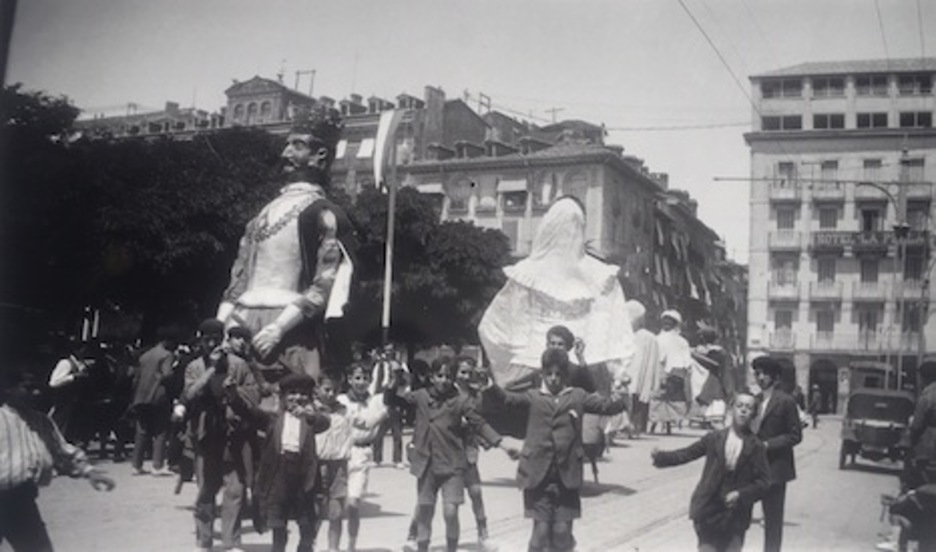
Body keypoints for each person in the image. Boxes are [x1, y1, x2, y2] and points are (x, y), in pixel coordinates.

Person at [216, 104, 358, 382]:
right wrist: (221, 325)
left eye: (297, 146)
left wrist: (279, 328)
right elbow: (239, 276)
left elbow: (324, 284)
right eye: (287, 145)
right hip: (240, 326)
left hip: (293, 330)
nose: (286, 154)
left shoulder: (325, 213)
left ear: (320, 155)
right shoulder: (261, 215)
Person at [478, 195, 635, 401]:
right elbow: (617, 332)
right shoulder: (601, 276)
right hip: (584, 372)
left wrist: (509, 360)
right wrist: (617, 373)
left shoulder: (525, 274)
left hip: (532, 371)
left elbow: (492, 327)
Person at [482, 348, 627, 552]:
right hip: (537, 476)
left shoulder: (577, 396)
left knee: (561, 533)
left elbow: (606, 407)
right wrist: (490, 386)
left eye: (559, 374)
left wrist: (621, 393)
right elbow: (507, 399)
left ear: (566, 375)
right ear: (542, 374)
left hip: (566, 476)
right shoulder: (533, 397)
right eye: (549, 374)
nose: (553, 379)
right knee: (540, 533)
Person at [387, 357, 515, 552]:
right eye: (439, 376)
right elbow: (393, 399)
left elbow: (479, 424)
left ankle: (452, 548)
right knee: (425, 511)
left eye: (448, 376)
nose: (443, 380)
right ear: (431, 377)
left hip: (453, 465)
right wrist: (394, 378)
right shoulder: (421, 396)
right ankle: (421, 546)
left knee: (450, 511)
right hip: (426, 466)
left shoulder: (460, 401)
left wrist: (502, 443)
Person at [0, 368, 116, 551]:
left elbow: (62, 452)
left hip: (22, 500)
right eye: (28, 388)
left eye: (37, 388)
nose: (36, 393)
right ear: (8, 389)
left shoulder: (41, 422)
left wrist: (89, 472)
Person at [652, 392, 770, 552]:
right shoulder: (715, 438)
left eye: (748, 408)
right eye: (739, 406)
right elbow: (687, 453)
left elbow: (763, 483)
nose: (743, 410)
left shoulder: (757, 446)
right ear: (730, 410)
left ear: (754, 414)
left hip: (736, 516)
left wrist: (741, 494)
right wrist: (661, 457)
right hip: (709, 509)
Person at [229, 373, 331, 552]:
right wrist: (232, 395)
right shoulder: (273, 419)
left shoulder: (310, 418)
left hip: (303, 474)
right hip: (278, 474)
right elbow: (249, 413)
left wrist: (310, 415)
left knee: (307, 525)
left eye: (302, 393)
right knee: (278, 524)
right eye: (292, 393)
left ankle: (305, 547)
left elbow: (324, 422)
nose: (297, 397)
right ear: (282, 397)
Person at [183, 319, 260, 552]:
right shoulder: (194, 366)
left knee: (235, 490)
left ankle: (231, 542)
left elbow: (253, 397)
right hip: (206, 436)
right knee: (206, 490)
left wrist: (234, 393)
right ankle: (204, 540)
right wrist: (210, 371)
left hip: (234, 436)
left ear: (223, 340)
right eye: (208, 340)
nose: (212, 344)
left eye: (216, 339)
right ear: (201, 341)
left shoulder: (239, 365)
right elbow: (189, 395)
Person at [751, 356, 802, 552]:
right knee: (740, 513)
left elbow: (795, 435)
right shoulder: (754, 401)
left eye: (765, 374)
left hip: (776, 469)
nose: (760, 377)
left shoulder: (786, 401)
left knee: (772, 520)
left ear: (776, 377)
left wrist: (768, 445)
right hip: (753, 468)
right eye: (757, 373)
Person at [338, 362, 389, 552]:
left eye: (365, 378)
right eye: (357, 378)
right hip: (341, 454)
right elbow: (361, 421)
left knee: (353, 504)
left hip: (362, 454)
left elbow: (377, 416)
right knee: (334, 508)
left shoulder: (375, 401)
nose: (361, 382)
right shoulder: (341, 400)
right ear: (349, 380)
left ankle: (351, 545)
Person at [129, 331, 179, 476]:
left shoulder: (144, 355)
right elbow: (168, 374)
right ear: (167, 341)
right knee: (161, 430)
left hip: (141, 396)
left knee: (141, 431)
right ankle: (157, 465)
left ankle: (136, 465)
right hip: (158, 396)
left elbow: (135, 378)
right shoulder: (167, 355)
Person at [313, 374, 353, 552]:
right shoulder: (311, 410)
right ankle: (308, 544)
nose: (330, 394)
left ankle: (333, 548)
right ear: (317, 389)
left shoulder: (344, 410)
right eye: (326, 389)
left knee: (336, 511)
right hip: (316, 464)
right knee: (315, 510)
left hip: (338, 465)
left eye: (335, 390)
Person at [649, 310, 694, 435]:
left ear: (675, 324)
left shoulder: (682, 341)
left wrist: (685, 371)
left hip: (676, 373)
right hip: (659, 371)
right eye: (665, 322)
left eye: (670, 322)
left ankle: (668, 425)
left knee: (671, 400)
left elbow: (686, 359)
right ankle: (654, 424)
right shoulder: (656, 339)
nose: (666, 324)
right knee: (657, 399)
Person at [625, 300, 661, 437]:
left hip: (636, 373)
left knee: (635, 400)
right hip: (632, 373)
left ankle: (634, 427)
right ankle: (632, 428)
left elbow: (653, 360)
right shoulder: (646, 336)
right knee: (634, 400)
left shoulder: (648, 337)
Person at [370, 343, 407, 467]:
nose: (388, 353)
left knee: (397, 433)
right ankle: (377, 459)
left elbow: (405, 382)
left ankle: (397, 460)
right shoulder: (379, 365)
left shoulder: (399, 365)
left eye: (390, 350)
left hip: (395, 401)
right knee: (378, 433)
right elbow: (374, 381)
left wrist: (398, 381)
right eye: (386, 351)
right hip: (381, 399)